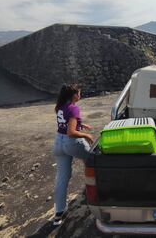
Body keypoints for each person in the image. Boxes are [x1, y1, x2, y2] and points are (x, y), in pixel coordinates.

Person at [53, 84, 95, 225]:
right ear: (74, 95)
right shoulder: (73, 108)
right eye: (79, 93)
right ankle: (96, 192)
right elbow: (71, 132)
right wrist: (86, 136)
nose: (80, 95)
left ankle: (58, 214)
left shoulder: (61, 106)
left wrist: (81, 125)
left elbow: (65, 124)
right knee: (93, 160)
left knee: (62, 178)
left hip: (58, 142)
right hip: (71, 142)